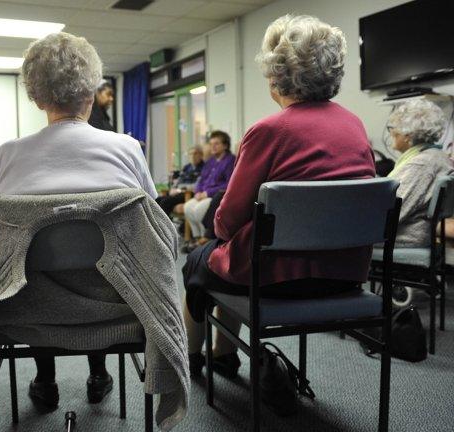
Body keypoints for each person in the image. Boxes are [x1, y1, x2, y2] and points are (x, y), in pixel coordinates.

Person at [183, 15, 376, 394]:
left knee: (200, 259)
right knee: (229, 253)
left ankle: (191, 361)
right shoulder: (354, 126)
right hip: (346, 275)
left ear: (275, 77)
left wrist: (220, 232)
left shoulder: (269, 131)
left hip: (276, 278)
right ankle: (223, 354)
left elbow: (226, 223)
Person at [0, 32, 156, 410]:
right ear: (91, 92)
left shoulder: (6, 157)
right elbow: (153, 238)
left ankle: (44, 382)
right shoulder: (127, 149)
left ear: (36, 97)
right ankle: (99, 374)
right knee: (104, 268)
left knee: (35, 273)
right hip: (117, 306)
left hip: (26, 308)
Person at [386, 99, 454, 247]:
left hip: (404, 237)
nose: (391, 132)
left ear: (408, 135)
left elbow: (392, 213)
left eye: (393, 127)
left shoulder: (422, 164)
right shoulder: (435, 156)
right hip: (407, 233)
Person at [181, 130, 235, 250]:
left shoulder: (230, 160)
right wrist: (198, 192)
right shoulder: (210, 161)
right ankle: (197, 237)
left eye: (216, 144)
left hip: (215, 196)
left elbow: (229, 184)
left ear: (225, 145)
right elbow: (201, 179)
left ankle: (204, 241)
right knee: (188, 207)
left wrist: (207, 193)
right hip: (202, 194)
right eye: (211, 144)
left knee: (198, 210)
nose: (213, 147)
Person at [156, 146, 204, 216]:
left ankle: (163, 226)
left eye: (196, 153)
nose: (193, 156)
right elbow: (179, 180)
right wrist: (173, 188)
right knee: (157, 200)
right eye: (190, 154)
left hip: (188, 193)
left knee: (165, 202)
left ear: (201, 155)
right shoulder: (186, 167)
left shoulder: (204, 168)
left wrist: (179, 190)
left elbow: (197, 185)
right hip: (178, 193)